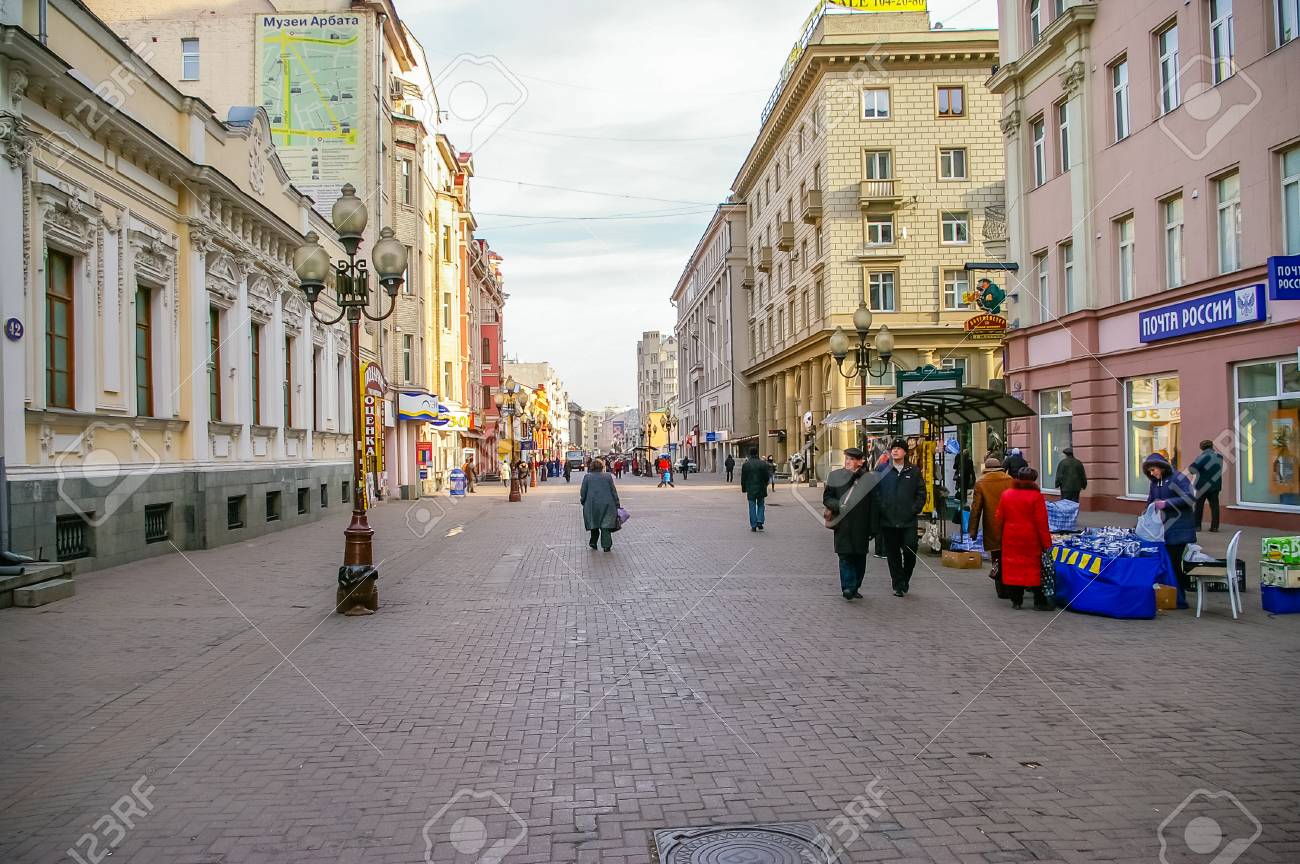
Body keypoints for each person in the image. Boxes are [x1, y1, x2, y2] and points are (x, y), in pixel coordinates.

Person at [823, 447, 881, 600]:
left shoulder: (868, 479)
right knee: (845, 557)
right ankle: (848, 587)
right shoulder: (835, 476)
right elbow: (827, 498)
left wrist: (874, 528)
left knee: (859, 559)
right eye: (847, 458)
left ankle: (855, 586)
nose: (848, 461)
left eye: (852, 459)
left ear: (860, 462)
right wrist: (838, 505)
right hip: (842, 525)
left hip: (861, 526)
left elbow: (875, 504)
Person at [995, 467, 1055, 610]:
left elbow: (998, 517)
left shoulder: (1006, 494)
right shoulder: (1036, 497)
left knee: (1013, 567)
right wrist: (1047, 543)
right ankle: (1039, 602)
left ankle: (1016, 601)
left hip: (1010, 537)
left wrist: (1001, 535)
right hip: (1031, 538)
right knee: (1033, 569)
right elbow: (1041, 522)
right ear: (1033, 480)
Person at [874, 439, 927, 597]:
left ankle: (905, 577)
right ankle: (898, 584)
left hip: (908, 520)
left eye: (899, 449)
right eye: (893, 449)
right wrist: (882, 508)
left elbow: (921, 493)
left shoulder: (914, 471)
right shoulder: (882, 469)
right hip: (888, 520)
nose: (895, 451)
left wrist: (914, 509)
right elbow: (875, 492)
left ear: (905, 452)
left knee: (911, 549)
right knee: (893, 554)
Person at [1144, 452, 1196, 609]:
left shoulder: (1177, 478)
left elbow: (1189, 498)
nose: (1152, 474)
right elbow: (1150, 502)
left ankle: (1180, 599)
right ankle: (1170, 597)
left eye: (1153, 470)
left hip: (1179, 529)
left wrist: (1166, 503)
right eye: (1150, 472)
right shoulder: (1156, 482)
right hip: (1164, 530)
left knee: (1173, 565)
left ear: (1161, 467)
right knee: (1167, 564)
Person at [970, 455, 1016, 599]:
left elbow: (976, 509)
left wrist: (973, 530)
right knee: (1011, 557)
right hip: (1011, 525)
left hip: (993, 526)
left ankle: (1001, 589)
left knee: (997, 556)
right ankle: (1012, 585)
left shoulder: (981, 483)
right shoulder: (1010, 481)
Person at [580, 458, 621, 552]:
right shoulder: (607, 476)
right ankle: (606, 545)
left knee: (594, 524)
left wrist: (583, 501)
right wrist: (617, 503)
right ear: (602, 467)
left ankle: (593, 542)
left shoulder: (587, 477)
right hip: (607, 504)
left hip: (591, 505)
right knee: (605, 525)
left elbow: (583, 491)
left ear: (592, 467)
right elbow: (613, 491)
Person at [1189, 439, 1223, 533]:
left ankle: (1197, 526)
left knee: (1199, 506)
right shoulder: (1219, 456)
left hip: (1202, 485)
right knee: (1215, 506)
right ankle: (1215, 527)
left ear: (1201, 448)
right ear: (1212, 446)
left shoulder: (1201, 457)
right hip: (1215, 485)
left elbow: (1192, 469)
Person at [741, 447, 769, 531]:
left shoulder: (746, 464)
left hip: (750, 488)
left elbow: (743, 478)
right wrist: (765, 484)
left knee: (752, 506)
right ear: (757, 453)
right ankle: (760, 521)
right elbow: (766, 477)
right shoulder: (763, 463)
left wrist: (744, 488)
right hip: (761, 487)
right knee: (761, 505)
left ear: (750, 453)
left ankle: (753, 525)